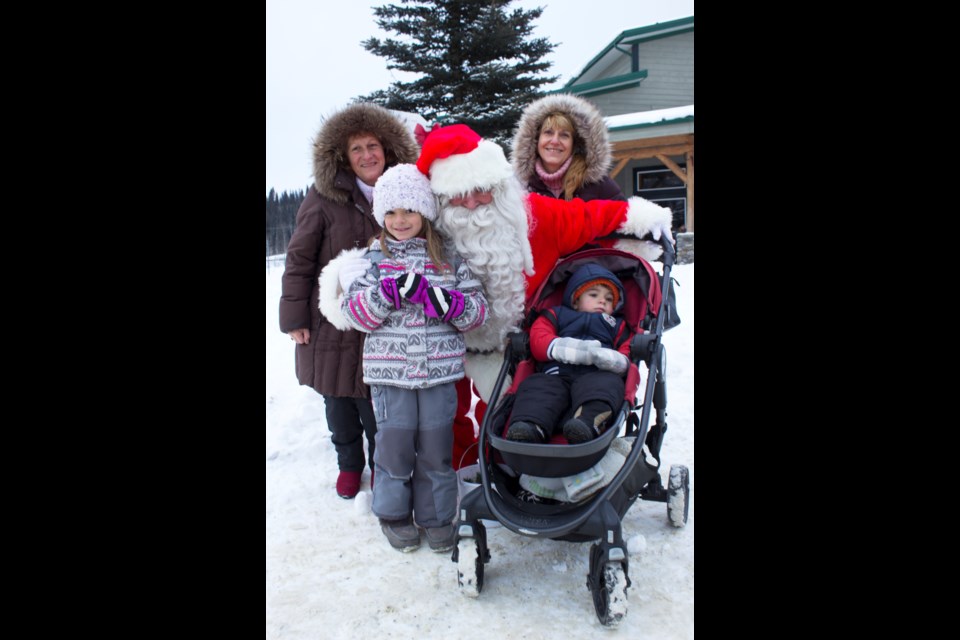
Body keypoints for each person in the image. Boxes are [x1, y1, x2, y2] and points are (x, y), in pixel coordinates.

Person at [324, 123, 673, 471]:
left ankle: (504, 467)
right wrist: (348, 274)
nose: (473, 203)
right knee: (445, 418)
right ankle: (459, 470)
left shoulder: (534, 215)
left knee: (514, 409)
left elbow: (588, 216)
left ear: (499, 184)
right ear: (441, 198)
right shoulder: (434, 228)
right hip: (443, 341)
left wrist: (639, 219)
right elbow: (389, 247)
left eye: (483, 190)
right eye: (460, 194)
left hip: (514, 343)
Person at [337, 164, 488, 553]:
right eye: (390, 212)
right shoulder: (372, 262)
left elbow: (476, 312)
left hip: (439, 375)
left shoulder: (450, 260)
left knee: (437, 450)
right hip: (392, 378)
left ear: (425, 212)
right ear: (380, 216)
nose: (399, 220)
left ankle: (437, 516)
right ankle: (392, 513)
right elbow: (354, 314)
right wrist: (385, 294)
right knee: (394, 448)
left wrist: (441, 301)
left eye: (408, 211)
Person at [279, 103, 419, 500]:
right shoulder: (324, 196)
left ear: (387, 148)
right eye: (356, 149)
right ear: (344, 156)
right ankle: (349, 465)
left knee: (380, 405)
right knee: (338, 400)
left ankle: (382, 465)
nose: (366, 156)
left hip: (386, 318)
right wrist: (293, 318)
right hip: (332, 319)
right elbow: (300, 257)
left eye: (372, 145)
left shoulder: (403, 192)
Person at [505, 264, 633, 445]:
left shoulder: (617, 325)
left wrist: (614, 361)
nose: (602, 301)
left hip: (596, 374)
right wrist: (570, 349)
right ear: (575, 300)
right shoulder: (556, 315)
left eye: (609, 298)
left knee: (609, 385)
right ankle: (531, 425)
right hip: (556, 374)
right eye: (594, 295)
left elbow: (627, 351)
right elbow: (538, 339)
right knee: (537, 385)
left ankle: (587, 423)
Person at [511, 93, 626, 202]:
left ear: (574, 144)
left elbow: (625, 218)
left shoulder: (597, 184)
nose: (555, 141)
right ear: (535, 139)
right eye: (548, 133)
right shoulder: (518, 185)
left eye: (564, 135)